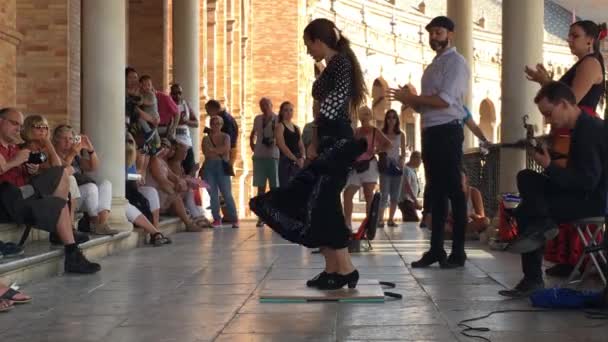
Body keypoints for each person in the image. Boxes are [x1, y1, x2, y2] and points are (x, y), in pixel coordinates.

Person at [250, 18, 368, 290]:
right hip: (329, 140)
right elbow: (324, 108)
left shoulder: (340, 64)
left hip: (336, 143)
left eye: (308, 44)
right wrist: (315, 139)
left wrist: (317, 135)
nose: (307, 51)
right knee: (321, 201)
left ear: (319, 40)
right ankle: (335, 268)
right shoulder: (334, 65)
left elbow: (332, 104)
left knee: (322, 201)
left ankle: (344, 269)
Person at [499, 82, 606, 298]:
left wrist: (549, 167)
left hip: (592, 201)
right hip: (580, 195)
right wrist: (552, 164)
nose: (547, 120)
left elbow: (587, 183)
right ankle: (543, 224)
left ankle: (533, 279)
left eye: (549, 113)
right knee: (526, 177)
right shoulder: (581, 128)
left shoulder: (590, 130)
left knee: (526, 211)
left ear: (564, 104)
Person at [525, 20, 606, 278]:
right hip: (571, 144)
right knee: (527, 183)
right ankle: (548, 264)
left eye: (575, 35)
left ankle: (543, 271)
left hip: (590, 193)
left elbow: (572, 98)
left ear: (590, 40)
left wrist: (546, 81)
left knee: (532, 209)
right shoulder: (581, 65)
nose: (569, 40)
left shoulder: (591, 64)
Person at [389, 16, 470, 268]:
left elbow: (445, 100)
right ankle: (436, 249)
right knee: (435, 190)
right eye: (432, 33)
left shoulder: (456, 63)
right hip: (431, 130)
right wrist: (407, 98)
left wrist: (415, 97)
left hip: (448, 130)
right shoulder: (434, 65)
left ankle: (458, 251)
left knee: (454, 190)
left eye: (438, 32)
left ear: (450, 34)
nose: (434, 37)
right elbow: (425, 104)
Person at [0, 108, 101, 274]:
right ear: (1, 121)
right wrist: (15, 161)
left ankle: (72, 254)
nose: (18, 128)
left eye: (20, 124)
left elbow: (89, 167)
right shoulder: (16, 150)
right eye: (14, 123)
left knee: (59, 199)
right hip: (7, 199)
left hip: (22, 198)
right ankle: (62, 236)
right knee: (62, 174)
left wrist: (30, 169)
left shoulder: (14, 149)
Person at [52, 125, 119, 235]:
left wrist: (90, 149)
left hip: (83, 197)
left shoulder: (76, 157)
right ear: (56, 140)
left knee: (106, 184)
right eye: (64, 139)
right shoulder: (54, 155)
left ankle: (102, 223)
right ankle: (95, 223)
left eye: (70, 139)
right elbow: (61, 170)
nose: (68, 142)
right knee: (90, 187)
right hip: (68, 199)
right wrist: (72, 153)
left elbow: (93, 167)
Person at [343, 106, 391, 227]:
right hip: (357, 166)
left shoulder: (375, 131)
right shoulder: (356, 131)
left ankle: (368, 224)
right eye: (362, 114)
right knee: (348, 193)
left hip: (370, 165)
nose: (364, 116)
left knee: (368, 194)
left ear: (370, 116)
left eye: (366, 114)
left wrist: (377, 150)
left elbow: (388, 144)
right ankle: (347, 223)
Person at [201, 116, 239, 228]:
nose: (216, 125)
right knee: (213, 194)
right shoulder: (206, 139)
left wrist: (214, 150)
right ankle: (216, 218)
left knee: (226, 193)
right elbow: (207, 153)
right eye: (213, 123)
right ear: (211, 124)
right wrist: (218, 150)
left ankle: (234, 218)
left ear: (221, 125)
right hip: (209, 167)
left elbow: (226, 149)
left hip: (222, 166)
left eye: (218, 123)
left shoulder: (226, 136)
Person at [249, 97, 279, 227]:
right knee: (260, 187)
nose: (264, 107)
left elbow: (282, 136)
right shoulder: (257, 119)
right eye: (262, 105)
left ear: (271, 105)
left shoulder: (277, 119)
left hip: (273, 156)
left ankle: (275, 216)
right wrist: (252, 144)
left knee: (274, 188)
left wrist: (275, 142)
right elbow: (253, 133)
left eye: (266, 104)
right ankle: (261, 216)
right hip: (259, 156)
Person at [378, 109, 406, 227]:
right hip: (385, 165)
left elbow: (403, 152)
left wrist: (401, 160)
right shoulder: (381, 133)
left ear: (397, 119)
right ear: (386, 119)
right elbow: (378, 149)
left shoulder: (401, 134)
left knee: (395, 195)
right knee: (384, 194)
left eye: (394, 117)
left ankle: (390, 219)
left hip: (397, 166)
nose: (391, 120)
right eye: (389, 117)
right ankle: (380, 220)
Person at [170, 83, 199, 175]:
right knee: (175, 167)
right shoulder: (168, 104)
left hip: (186, 141)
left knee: (190, 168)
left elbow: (196, 123)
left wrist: (186, 121)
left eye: (179, 93)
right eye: (174, 93)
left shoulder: (186, 104)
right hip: (174, 141)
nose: (177, 95)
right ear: (171, 93)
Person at [275, 101, 306, 187]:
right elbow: (282, 146)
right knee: (286, 188)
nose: (289, 112)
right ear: (281, 112)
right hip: (286, 162)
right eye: (286, 110)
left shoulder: (296, 128)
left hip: (298, 161)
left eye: (291, 110)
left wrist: (303, 157)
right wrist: (295, 159)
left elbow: (301, 145)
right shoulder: (280, 126)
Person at [205, 99, 239, 166]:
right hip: (228, 150)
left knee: (223, 172)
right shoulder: (227, 117)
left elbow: (227, 136)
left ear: (213, 109)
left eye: (208, 111)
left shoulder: (225, 119)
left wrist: (210, 132)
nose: (208, 114)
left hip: (226, 151)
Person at [398, 151, 423, 222]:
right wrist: (415, 201)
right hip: (406, 201)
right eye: (419, 159)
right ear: (413, 158)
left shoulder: (412, 170)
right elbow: (407, 186)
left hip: (409, 201)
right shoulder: (407, 170)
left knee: (411, 222)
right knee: (413, 221)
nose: (420, 162)